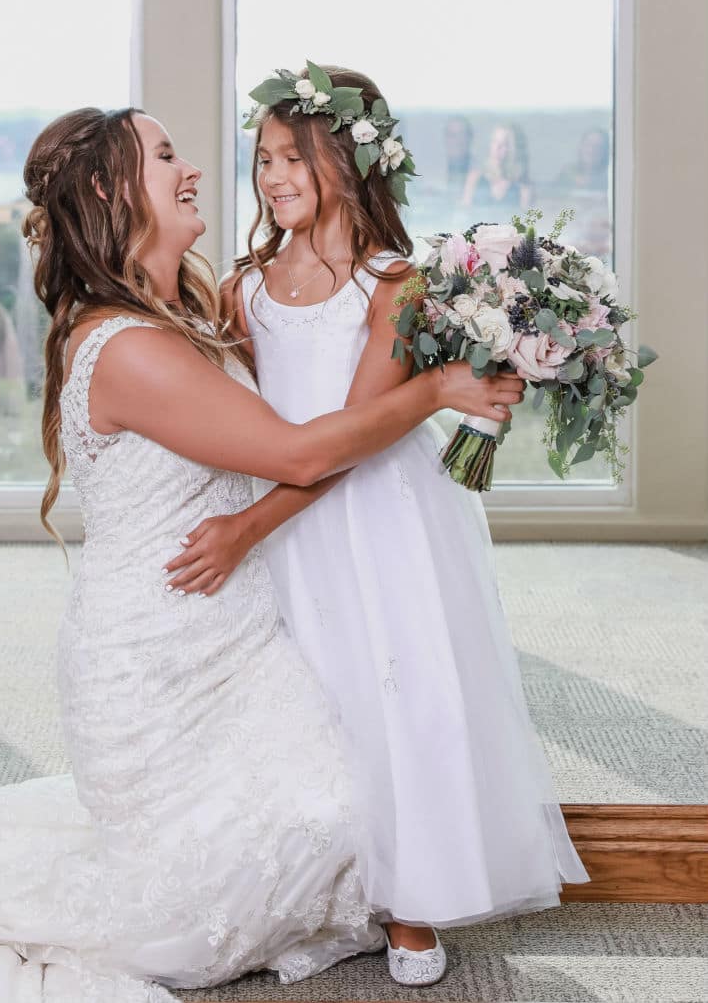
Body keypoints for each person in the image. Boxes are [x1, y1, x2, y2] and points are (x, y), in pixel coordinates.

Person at [0, 106, 525, 1001]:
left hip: (229, 629)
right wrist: (438, 389)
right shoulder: (131, 347)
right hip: (154, 655)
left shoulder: (184, 304)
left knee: (348, 804)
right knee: (205, 902)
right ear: (113, 190)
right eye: (166, 155)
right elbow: (299, 451)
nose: (196, 169)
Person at [164, 66, 590, 987]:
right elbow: (256, 427)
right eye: (263, 159)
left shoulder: (392, 285)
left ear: (351, 166)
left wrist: (248, 531)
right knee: (308, 696)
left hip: (379, 514)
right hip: (285, 518)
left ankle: (413, 898)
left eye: (292, 158)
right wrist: (237, 523)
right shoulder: (244, 291)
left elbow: (348, 442)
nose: (272, 177)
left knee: (398, 690)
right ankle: (313, 882)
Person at [461, 121, 533, 219]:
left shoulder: (523, 189)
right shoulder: (474, 178)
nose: (497, 148)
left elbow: (525, 226)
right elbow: (463, 216)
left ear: (514, 149)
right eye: (494, 141)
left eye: (505, 144)